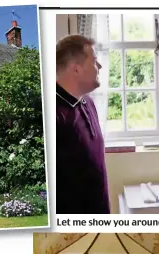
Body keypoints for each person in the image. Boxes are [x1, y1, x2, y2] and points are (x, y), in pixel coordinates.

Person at [56, 35, 110, 214]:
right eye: (94, 61)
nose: (100, 67)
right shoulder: (54, 115)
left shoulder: (88, 102)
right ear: (76, 69)